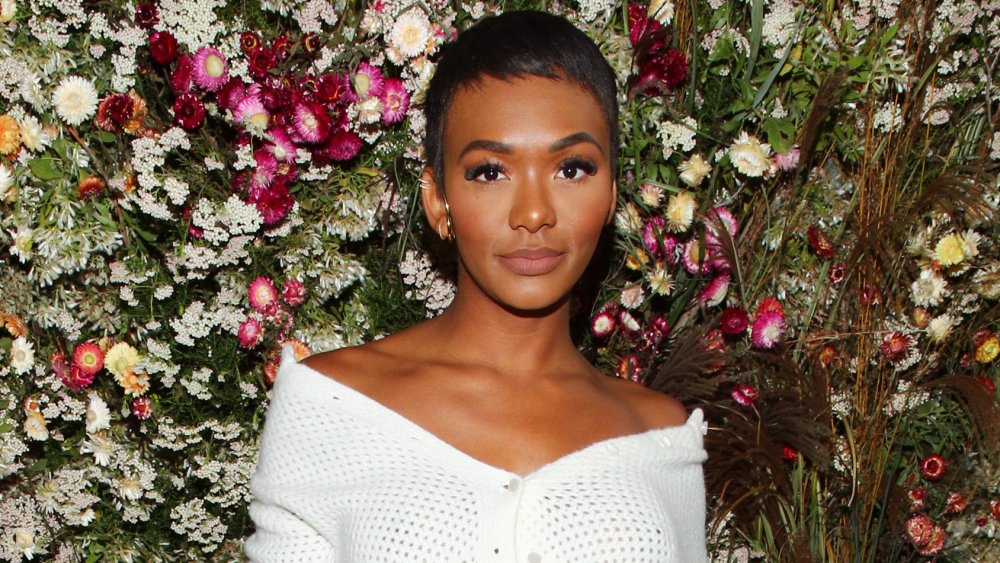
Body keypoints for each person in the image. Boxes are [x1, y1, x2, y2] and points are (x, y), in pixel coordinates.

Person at [245, 11, 707, 562]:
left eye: (572, 168)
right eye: (490, 171)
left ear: (610, 193)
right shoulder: (332, 405)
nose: (534, 212)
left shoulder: (660, 436)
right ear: (438, 199)